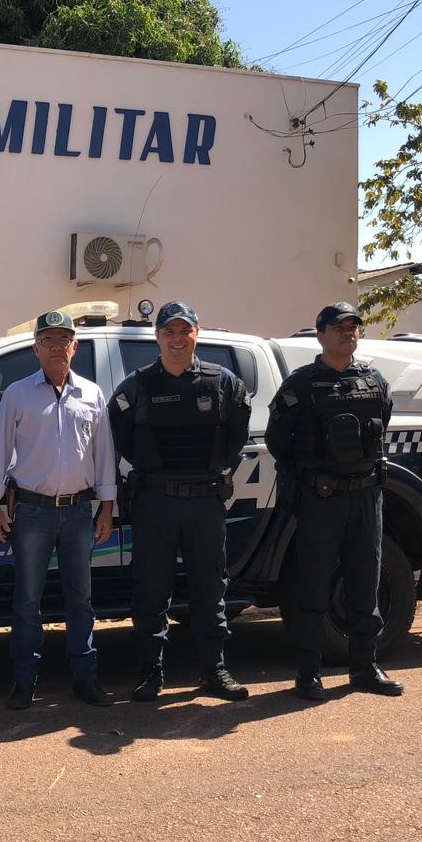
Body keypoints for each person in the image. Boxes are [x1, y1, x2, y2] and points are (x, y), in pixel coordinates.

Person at [108, 301, 252, 703]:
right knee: (151, 588)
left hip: (205, 501)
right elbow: (118, 437)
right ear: (157, 337)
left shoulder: (222, 382)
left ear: (196, 333)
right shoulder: (136, 385)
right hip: (155, 501)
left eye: (184, 330)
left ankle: (214, 670)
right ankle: (150, 672)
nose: (177, 338)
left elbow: (237, 435)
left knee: (210, 587)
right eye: (169, 331)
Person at [265, 301, 405, 701]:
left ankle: (365, 668)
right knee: (313, 585)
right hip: (320, 500)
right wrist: (310, 476)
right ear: (321, 334)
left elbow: (383, 422)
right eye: (339, 327)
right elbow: (278, 440)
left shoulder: (374, 381)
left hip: (366, 496)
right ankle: (309, 673)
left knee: (365, 582)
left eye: (353, 327)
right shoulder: (301, 384)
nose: (348, 333)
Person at [0, 310, 118, 710]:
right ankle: (25, 681)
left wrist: (106, 509)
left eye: (63, 340)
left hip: (78, 513)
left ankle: (85, 679)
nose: (56, 347)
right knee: (28, 600)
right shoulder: (17, 394)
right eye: (48, 340)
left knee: (81, 599)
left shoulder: (92, 394)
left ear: (75, 346)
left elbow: (104, 455)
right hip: (32, 513)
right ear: (36, 348)